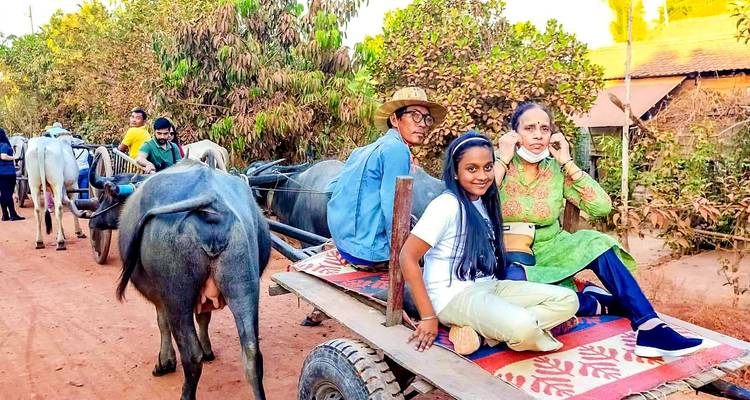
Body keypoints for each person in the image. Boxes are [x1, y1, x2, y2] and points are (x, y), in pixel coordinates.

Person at [493, 102, 703, 358]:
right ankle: (596, 302)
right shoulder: (496, 166)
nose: (538, 134)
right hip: (509, 253)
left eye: (544, 128)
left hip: (554, 246)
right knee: (514, 291)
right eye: (529, 128)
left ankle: (650, 327)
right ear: (514, 133)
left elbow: (601, 207)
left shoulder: (556, 170)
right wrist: (503, 159)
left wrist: (567, 162)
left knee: (595, 242)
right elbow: (478, 200)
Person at [399, 132, 578, 355]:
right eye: (471, 169)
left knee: (568, 300)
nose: (482, 175)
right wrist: (428, 317)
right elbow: (407, 256)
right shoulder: (447, 206)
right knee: (522, 326)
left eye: (487, 167)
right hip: (454, 296)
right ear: (455, 172)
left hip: (489, 286)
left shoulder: (485, 202)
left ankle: (484, 335)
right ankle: (502, 328)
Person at [327, 87, 447, 270]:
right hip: (368, 253)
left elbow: (331, 188)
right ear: (394, 119)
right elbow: (394, 208)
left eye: (427, 118)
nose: (423, 124)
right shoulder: (397, 150)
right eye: (415, 115)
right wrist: (403, 256)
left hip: (344, 246)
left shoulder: (362, 151)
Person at [0, 128, 25, 221]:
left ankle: (5, 215)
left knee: (3, 194)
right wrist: (15, 157)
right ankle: (13, 214)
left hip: (1, 173)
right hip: (7, 173)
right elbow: (3, 156)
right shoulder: (4, 145)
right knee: (8, 194)